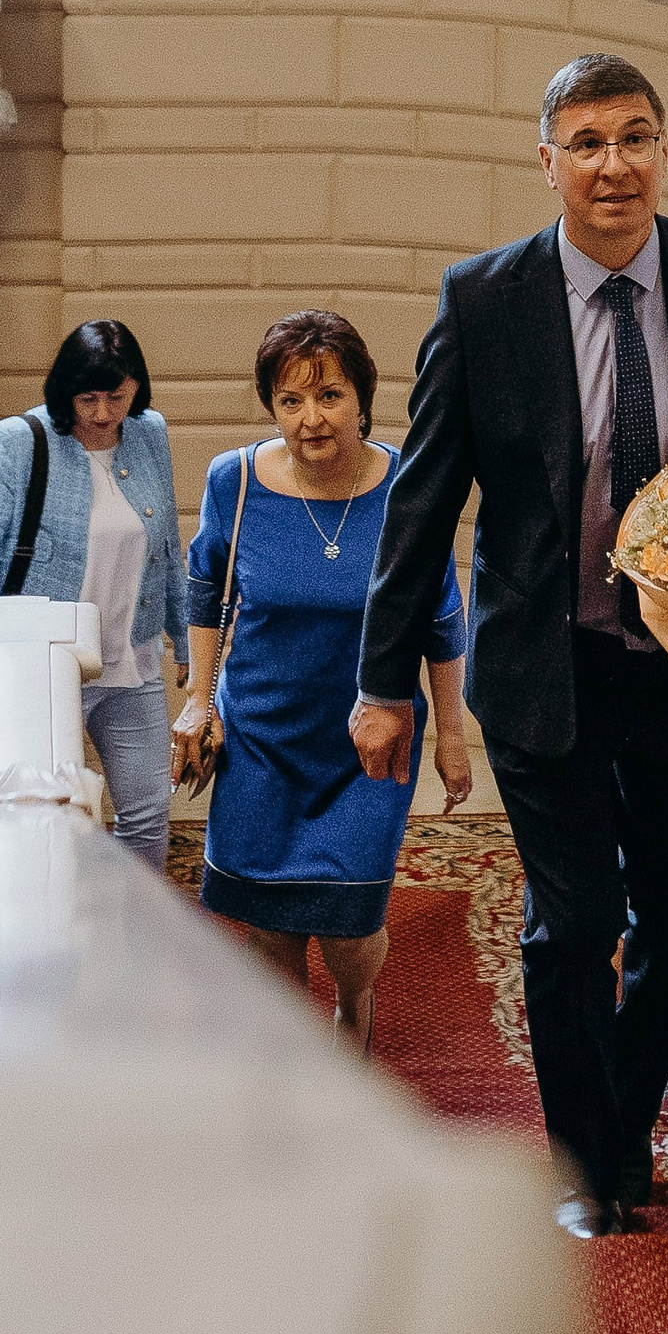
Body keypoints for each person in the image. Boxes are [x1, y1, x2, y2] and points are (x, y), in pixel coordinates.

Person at [353, 53, 668, 1238]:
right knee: (574, 923)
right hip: (547, 665)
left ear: (661, 150)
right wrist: (383, 684)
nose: (612, 165)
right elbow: (422, 503)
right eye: (586, 141)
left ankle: (620, 1129)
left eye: (633, 137)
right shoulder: (485, 301)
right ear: (548, 160)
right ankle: (588, 1165)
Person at [174, 312, 471, 1052]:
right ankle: (295, 1071)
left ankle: (355, 1000)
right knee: (269, 926)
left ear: (362, 400)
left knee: (350, 923)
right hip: (262, 737)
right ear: (273, 407)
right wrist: (197, 699)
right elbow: (206, 586)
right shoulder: (235, 481)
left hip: (369, 739)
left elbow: (439, 612)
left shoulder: (406, 484)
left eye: (330, 395)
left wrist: (454, 734)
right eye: (292, 400)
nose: (312, 418)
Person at [0, 320, 189, 869]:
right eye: (87, 398)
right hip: (41, 667)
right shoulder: (24, 439)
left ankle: (123, 942)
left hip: (131, 663)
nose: (100, 413)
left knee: (147, 822)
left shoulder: (150, 434)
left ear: (137, 388)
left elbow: (167, 548)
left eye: (116, 397)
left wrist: (186, 641)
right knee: (47, 821)